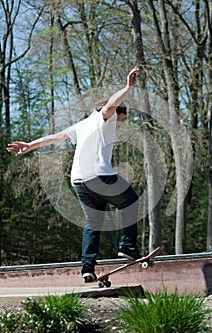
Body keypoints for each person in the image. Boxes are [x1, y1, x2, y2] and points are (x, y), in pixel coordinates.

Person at [7, 66, 140, 282]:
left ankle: (87, 268)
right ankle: (127, 245)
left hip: (79, 181)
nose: (119, 125)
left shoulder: (80, 125)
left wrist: (29, 145)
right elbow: (110, 105)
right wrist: (127, 87)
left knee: (92, 222)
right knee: (131, 200)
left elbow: (56, 137)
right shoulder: (103, 117)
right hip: (99, 175)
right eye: (120, 120)